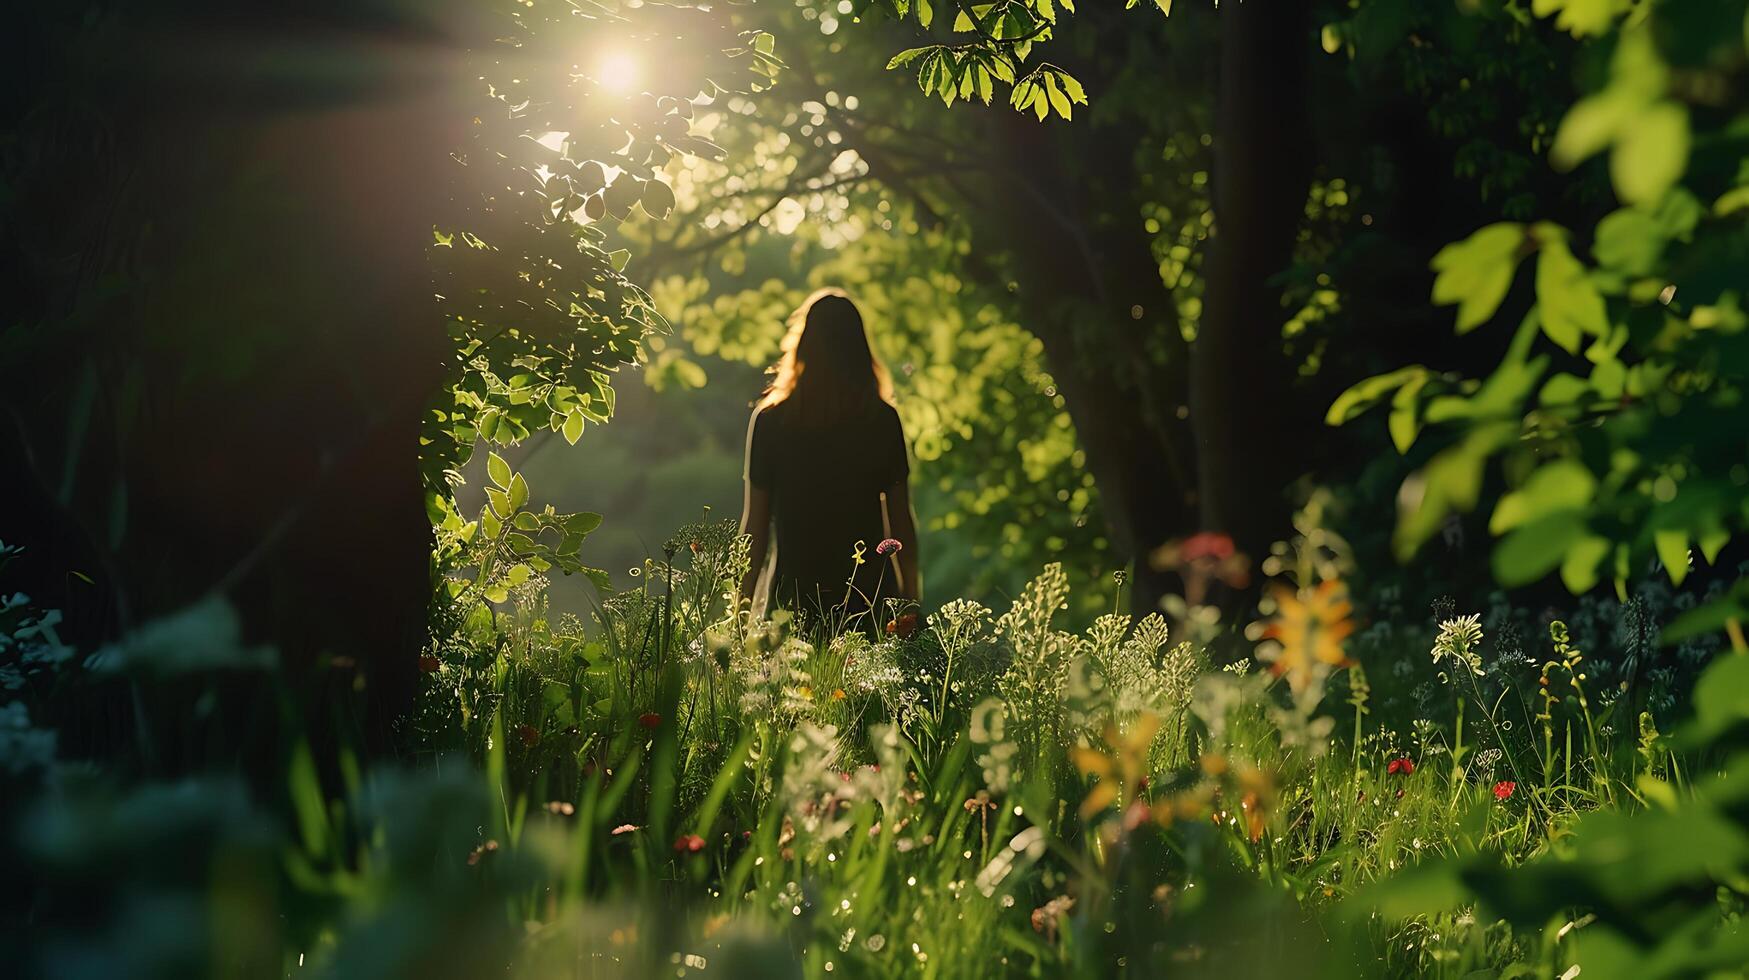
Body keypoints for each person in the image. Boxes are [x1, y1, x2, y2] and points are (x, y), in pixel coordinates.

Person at [739, 288, 919, 625]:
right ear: (860, 351)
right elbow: (900, 522)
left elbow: (755, 527)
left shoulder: (771, 421)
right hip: (869, 603)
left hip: (791, 605)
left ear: (804, 347)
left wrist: (740, 612)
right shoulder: (880, 421)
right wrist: (911, 598)